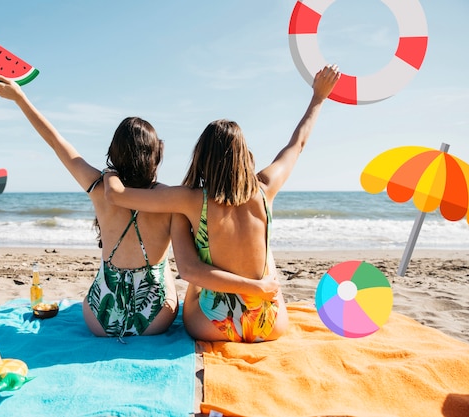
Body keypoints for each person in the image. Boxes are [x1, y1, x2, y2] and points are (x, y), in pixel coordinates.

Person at [0, 74, 270, 339]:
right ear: (157, 154)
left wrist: (21, 98)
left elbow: (57, 143)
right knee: (165, 267)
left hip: (99, 319)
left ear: (113, 152)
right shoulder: (172, 201)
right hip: (155, 319)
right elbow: (190, 266)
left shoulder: (99, 188)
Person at [104, 64, 341, 342]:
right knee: (267, 253)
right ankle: (258, 290)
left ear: (201, 156)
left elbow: (116, 195)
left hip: (215, 326)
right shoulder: (265, 189)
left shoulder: (190, 199)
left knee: (195, 277)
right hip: (268, 324)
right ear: (244, 155)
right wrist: (318, 97)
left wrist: (110, 171)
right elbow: (297, 143)